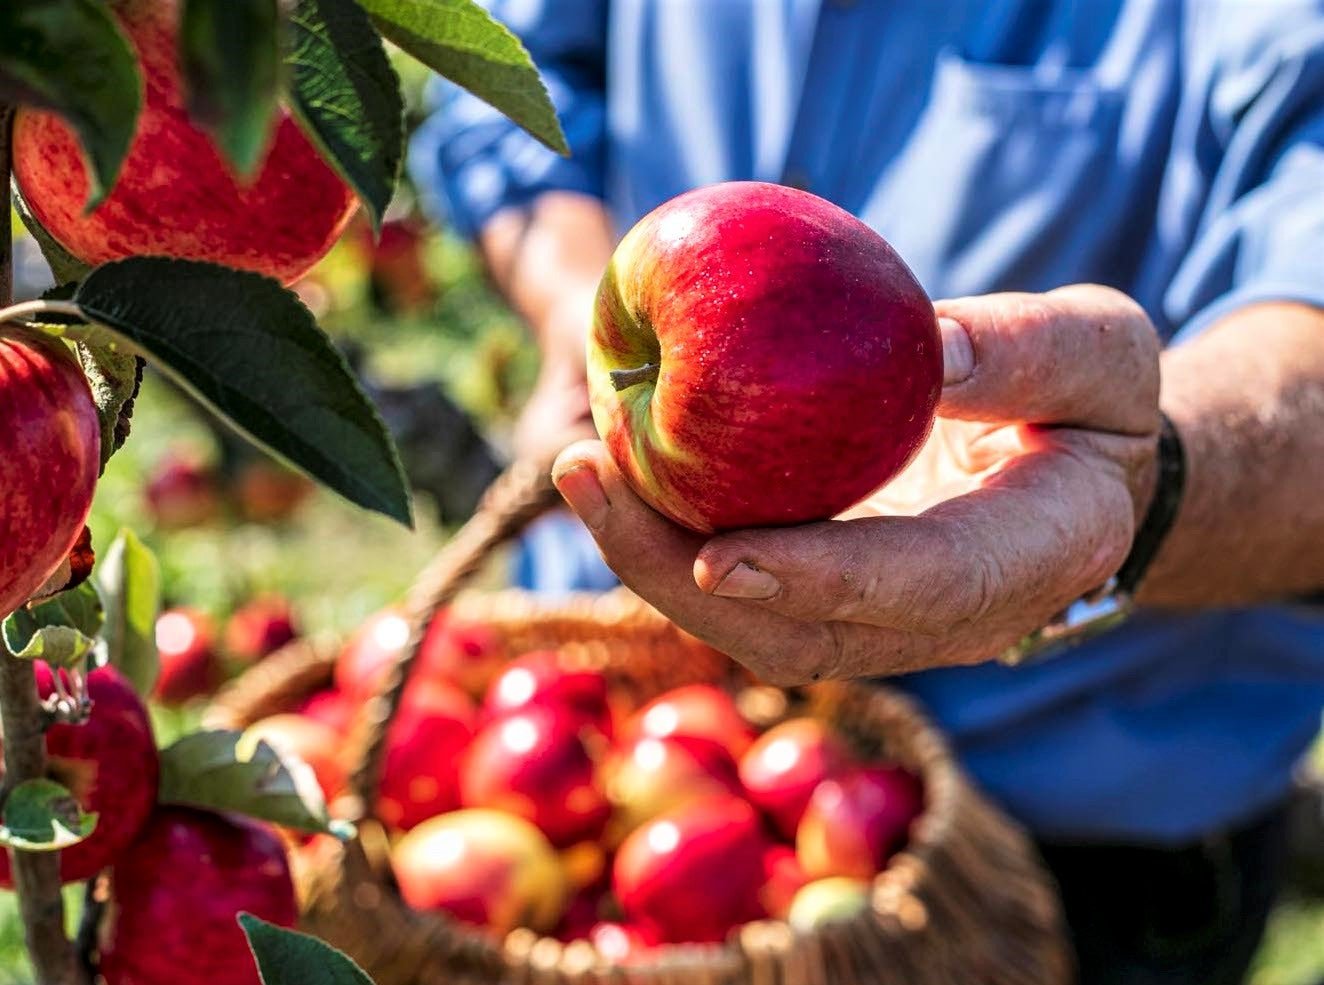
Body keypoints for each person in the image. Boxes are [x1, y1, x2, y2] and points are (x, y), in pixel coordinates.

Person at [410, 2, 1324, 982]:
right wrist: (570, 301)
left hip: (1069, 855)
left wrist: (1142, 481)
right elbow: (505, 80)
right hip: (615, 734)